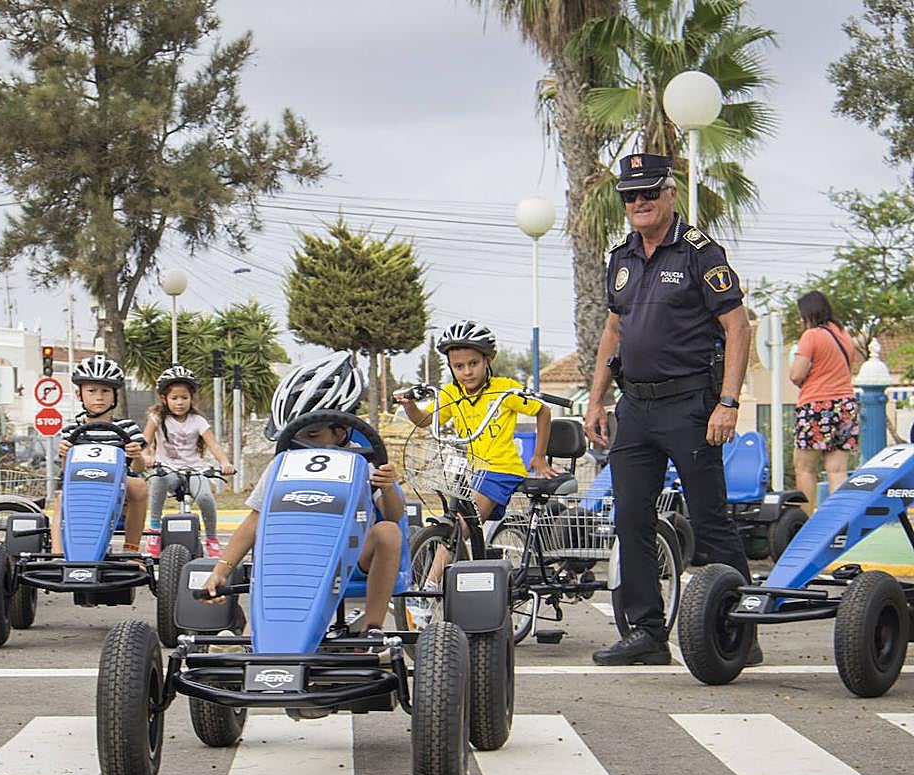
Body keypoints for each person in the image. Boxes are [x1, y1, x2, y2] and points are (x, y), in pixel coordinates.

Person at [584, 152, 757, 666]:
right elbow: (613, 330)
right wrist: (596, 398)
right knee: (631, 518)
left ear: (670, 194)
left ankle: (739, 632)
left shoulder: (700, 252)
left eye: (648, 193)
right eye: (629, 196)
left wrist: (727, 402)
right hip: (634, 406)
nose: (638, 203)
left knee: (709, 519)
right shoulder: (621, 258)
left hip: (692, 405)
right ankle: (646, 633)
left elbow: (737, 327)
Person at [201, 352, 404, 644]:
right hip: (294, 556)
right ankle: (254, 640)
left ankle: (372, 628)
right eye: (296, 435)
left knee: (388, 531)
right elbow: (254, 522)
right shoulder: (281, 466)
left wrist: (386, 487)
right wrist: (221, 570)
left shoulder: (365, 463)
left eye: (312, 434)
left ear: (342, 428)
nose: (302, 444)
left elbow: (394, 514)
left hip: (350, 553)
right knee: (272, 535)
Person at [394, 320, 556, 587]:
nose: (467, 372)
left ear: (488, 360)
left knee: (461, 525)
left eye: (474, 364)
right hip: (471, 470)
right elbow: (425, 421)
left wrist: (538, 457)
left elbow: (543, 410)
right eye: (459, 366)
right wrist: (410, 405)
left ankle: (428, 587)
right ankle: (452, 583)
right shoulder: (451, 393)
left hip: (501, 468)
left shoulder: (505, 388)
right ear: (450, 367)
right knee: (457, 523)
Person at [51, 355, 148, 554]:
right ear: (79, 394)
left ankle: (131, 550)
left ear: (114, 396)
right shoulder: (72, 429)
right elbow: (65, 471)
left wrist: (136, 455)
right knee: (61, 496)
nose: (99, 397)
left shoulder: (127, 427)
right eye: (92, 391)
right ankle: (58, 554)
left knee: (139, 486)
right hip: (79, 483)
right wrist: (64, 455)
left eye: (105, 391)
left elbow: (139, 469)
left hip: (118, 484)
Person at [142, 364, 235, 559]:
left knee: (205, 498)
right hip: (167, 469)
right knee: (158, 478)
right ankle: (154, 531)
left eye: (184, 397)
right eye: (174, 398)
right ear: (164, 399)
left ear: (192, 398)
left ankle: (212, 539)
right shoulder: (157, 417)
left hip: (195, 469)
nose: (179, 402)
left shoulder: (198, 420)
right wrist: (147, 457)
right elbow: (145, 443)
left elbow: (214, 445)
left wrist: (225, 462)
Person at [789, 290, 859, 514]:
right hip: (846, 405)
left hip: (817, 406)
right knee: (837, 471)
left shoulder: (812, 335)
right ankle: (837, 525)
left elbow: (796, 375)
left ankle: (805, 523)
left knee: (805, 469)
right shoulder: (845, 337)